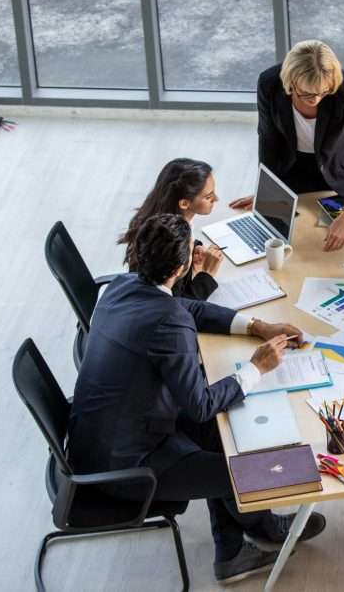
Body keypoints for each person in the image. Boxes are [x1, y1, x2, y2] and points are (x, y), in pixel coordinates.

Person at [70, 214, 327, 583]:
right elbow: (201, 404)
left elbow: (188, 308)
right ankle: (249, 538)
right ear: (181, 267)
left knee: (220, 435)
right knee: (240, 471)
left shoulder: (121, 286)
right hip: (127, 467)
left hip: (98, 438)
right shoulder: (168, 324)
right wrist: (256, 367)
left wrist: (256, 326)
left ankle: (242, 541)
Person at [229, 40, 344, 252]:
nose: (315, 100)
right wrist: (268, 192)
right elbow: (268, 140)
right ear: (290, 81)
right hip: (291, 165)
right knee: (289, 236)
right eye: (306, 94)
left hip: (336, 165)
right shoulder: (269, 83)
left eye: (323, 93)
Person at [119, 158, 225, 300]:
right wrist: (207, 275)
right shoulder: (168, 247)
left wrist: (194, 249)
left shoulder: (160, 225)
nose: (216, 199)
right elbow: (178, 306)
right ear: (184, 203)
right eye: (208, 197)